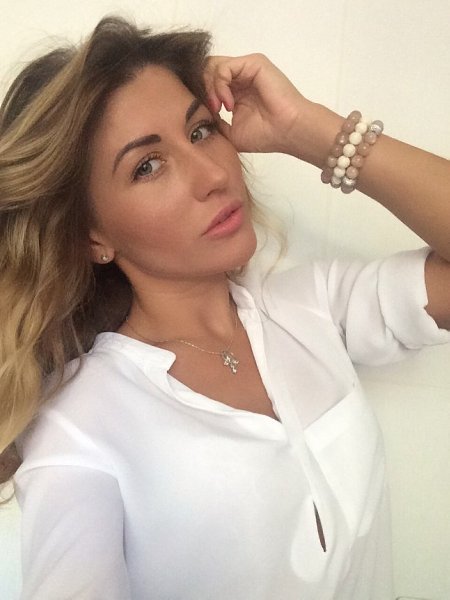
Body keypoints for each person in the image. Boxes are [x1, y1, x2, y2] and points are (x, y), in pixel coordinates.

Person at [0, 15, 449, 600]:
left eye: (201, 130)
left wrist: (306, 129)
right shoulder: (79, 429)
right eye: (147, 166)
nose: (212, 174)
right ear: (92, 236)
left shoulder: (311, 307)